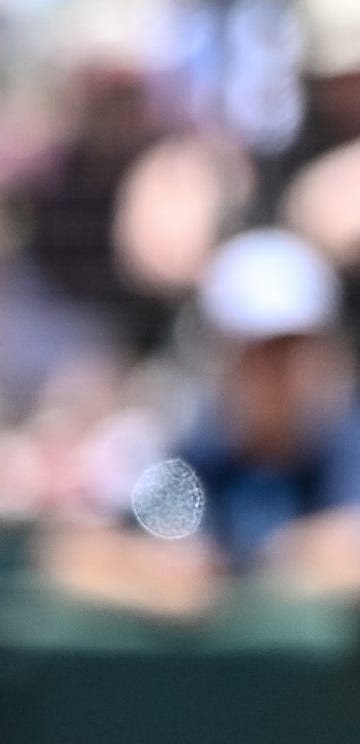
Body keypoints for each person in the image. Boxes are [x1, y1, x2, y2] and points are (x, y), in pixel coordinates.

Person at [41, 226, 360, 617]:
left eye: (289, 350)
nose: (275, 374)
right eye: (255, 354)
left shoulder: (346, 446)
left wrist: (299, 563)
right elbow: (76, 557)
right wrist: (157, 577)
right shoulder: (188, 452)